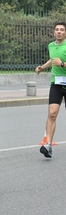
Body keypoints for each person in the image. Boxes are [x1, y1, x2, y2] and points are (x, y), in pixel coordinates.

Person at [35, 21, 66, 158]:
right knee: (52, 113)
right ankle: (48, 145)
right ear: (54, 32)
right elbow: (52, 59)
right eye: (57, 29)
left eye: (62, 30)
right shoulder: (51, 46)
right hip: (56, 84)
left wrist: (63, 64)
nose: (59, 31)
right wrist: (42, 67)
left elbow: (59, 62)